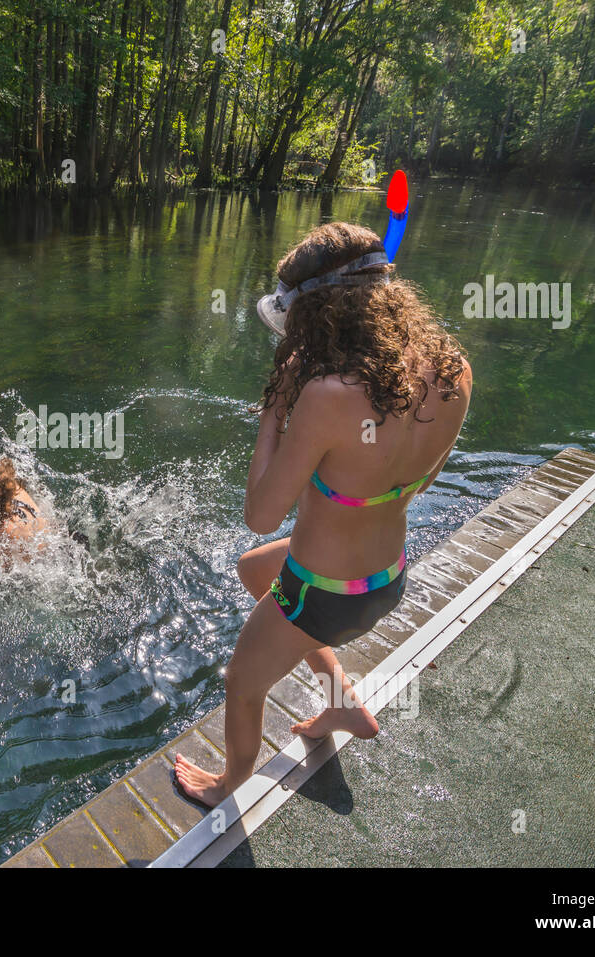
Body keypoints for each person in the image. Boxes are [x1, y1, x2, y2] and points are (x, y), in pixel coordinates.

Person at [174, 221, 473, 808]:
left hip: (321, 592)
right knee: (255, 569)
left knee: (242, 683)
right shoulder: (453, 367)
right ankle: (340, 699)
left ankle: (230, 784)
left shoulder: (328, 395)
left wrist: (275, 407)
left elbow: (262, 514)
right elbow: (419, 478)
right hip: (386, 577)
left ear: (315, 315)